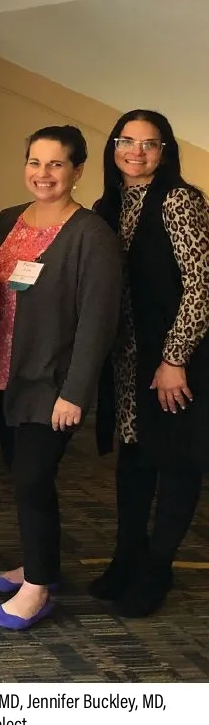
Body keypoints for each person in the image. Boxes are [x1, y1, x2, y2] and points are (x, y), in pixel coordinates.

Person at [0, 125, 121, 630]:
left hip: (52, 384)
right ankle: (38, 565)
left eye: (56, 164)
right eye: (34, 162)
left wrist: (74, 393)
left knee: (34, 478)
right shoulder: (8, 220)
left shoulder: (91, 235)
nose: (43, 174)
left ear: (77, 170)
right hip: (6, 377)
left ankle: (37, 588)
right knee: (23, 478)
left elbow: (98, 323)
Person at [92, 111, 209, 615]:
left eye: (149, 143)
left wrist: (174, 358)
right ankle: (127, 558)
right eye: (127, 140)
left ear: (165, 151)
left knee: (178, 461)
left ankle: (158, 568)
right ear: (113, 146)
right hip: (127, 356)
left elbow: (201, 286)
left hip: (175, 357)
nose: (136, 152)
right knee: (135, 457)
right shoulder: (106, 205)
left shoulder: (180, 200)